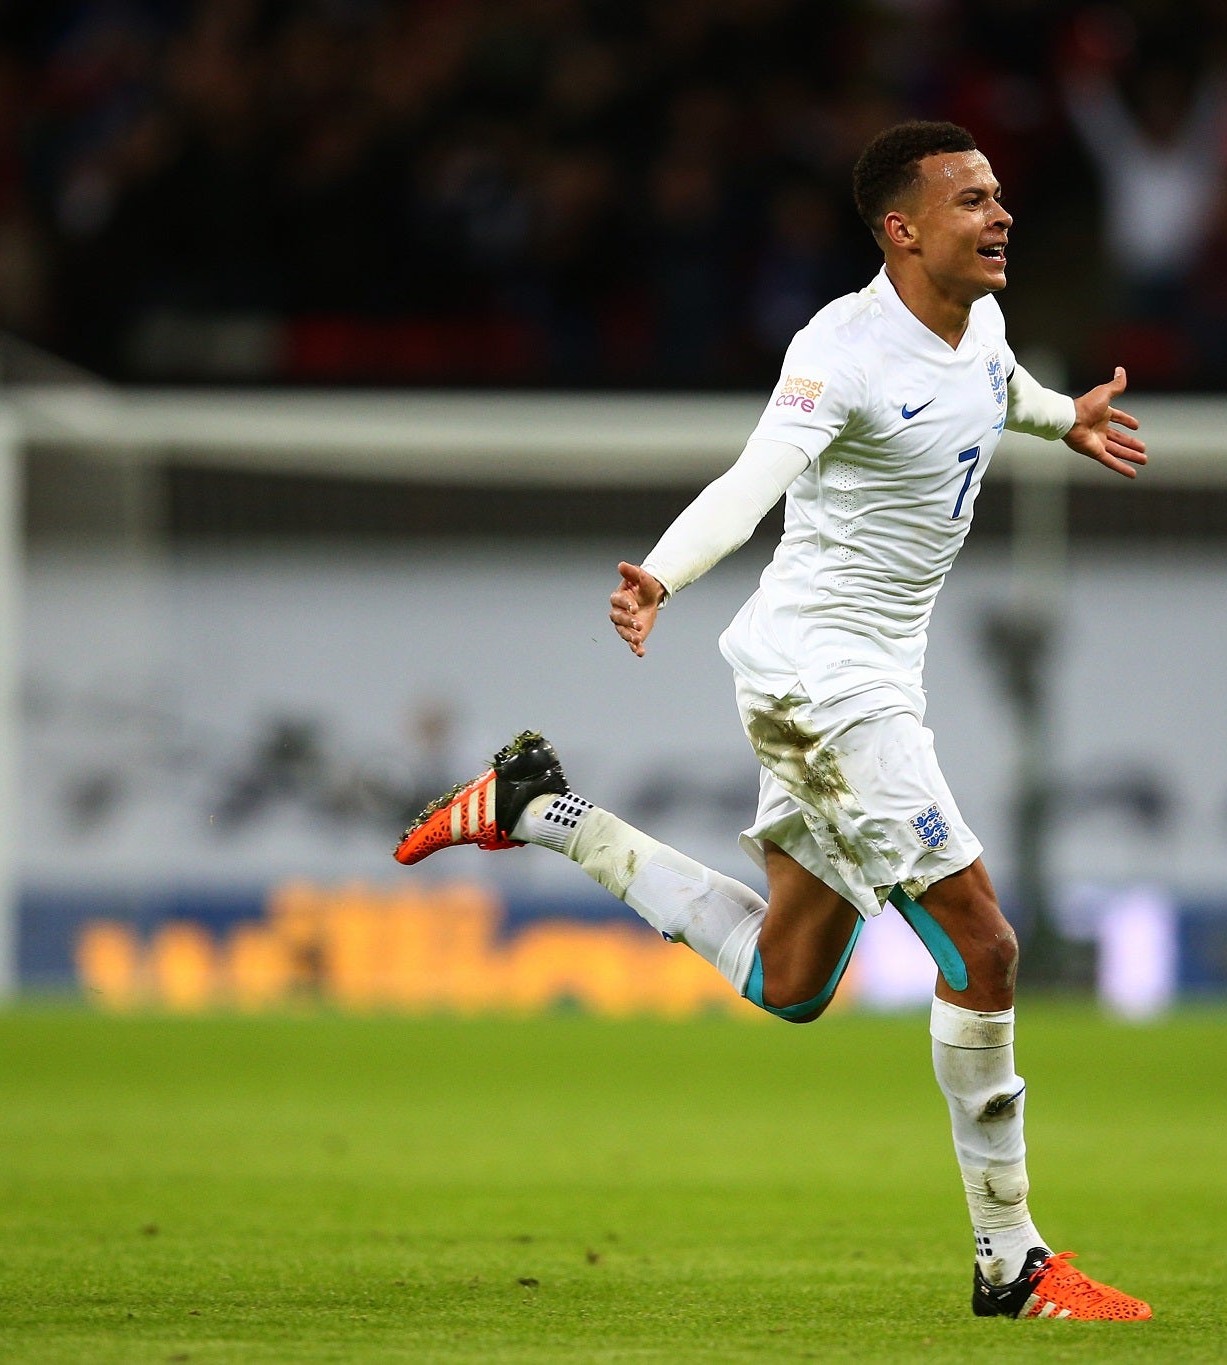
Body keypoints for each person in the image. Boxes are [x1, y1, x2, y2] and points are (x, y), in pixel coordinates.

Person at [394, 121, 1152, 1321]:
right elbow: (754, 478)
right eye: (969, 200)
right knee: (985, 951)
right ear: (901, 229)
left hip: (870, 679)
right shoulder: (839, 349)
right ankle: (1010, 1262)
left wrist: (1067, 419)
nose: (998, 214)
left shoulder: (985, 324)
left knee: (792, 980)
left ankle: (541, 810)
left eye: (998, 194)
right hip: (822, 681)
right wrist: (659, 574)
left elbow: (995, 389)